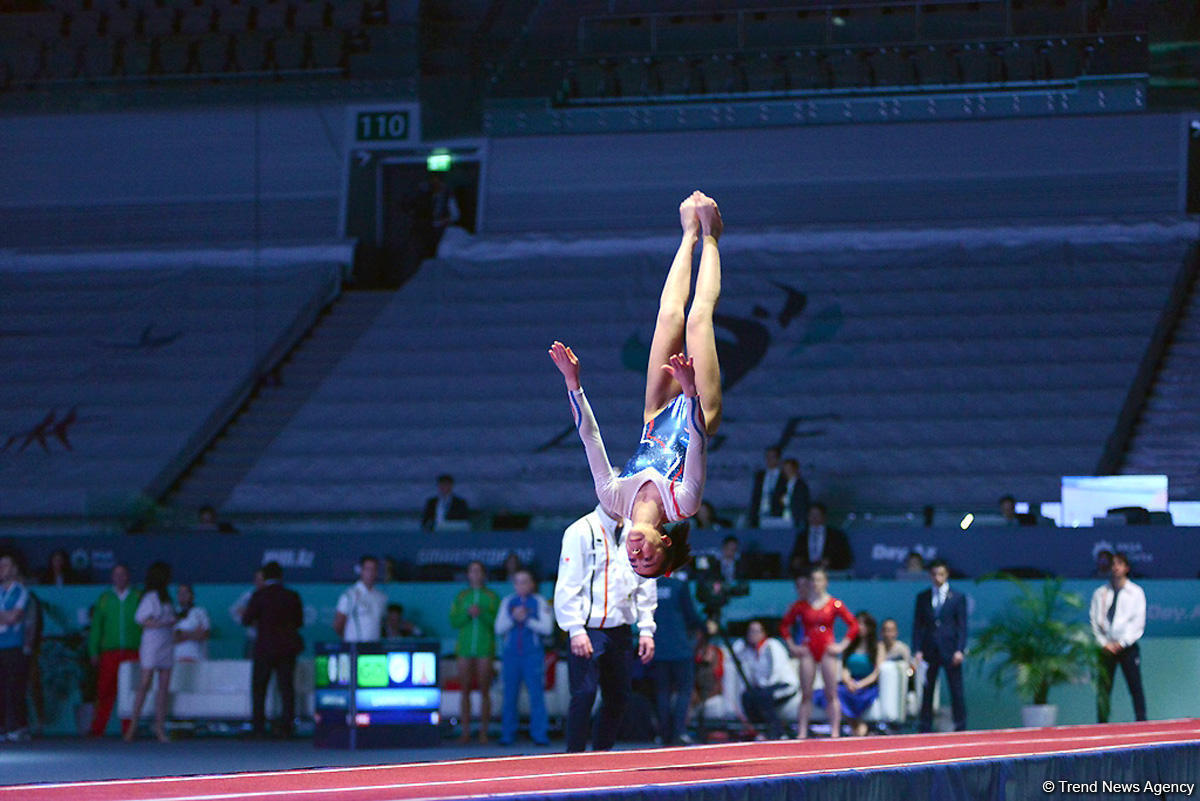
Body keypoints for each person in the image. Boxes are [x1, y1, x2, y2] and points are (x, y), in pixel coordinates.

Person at [548, 190, 725, 579]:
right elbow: (696, 443)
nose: (636, 553)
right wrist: (691, 390)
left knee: (667, 315)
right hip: (699, 409)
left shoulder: (614, 498)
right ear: (664, 542)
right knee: (697, 317)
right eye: (647, 558)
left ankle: (688, 234)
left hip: (656, 414)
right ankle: (711, 235)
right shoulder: (684, 504)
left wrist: (572, 383)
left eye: (633, 561)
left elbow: (590, 439)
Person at [554, 504, 658, 752]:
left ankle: (601, 754)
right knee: (584, 694)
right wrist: (575, 629)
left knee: (619, 697)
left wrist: (645, 629)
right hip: (588, 629)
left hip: (621, 629)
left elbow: (645, 581)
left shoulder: (639, 532)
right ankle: (574, 758)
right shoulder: (580, 530)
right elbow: (568, 583)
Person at [782, 569, 859, 738]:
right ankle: (801, 732)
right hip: (808, 648)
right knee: (806, 693)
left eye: (819, 580)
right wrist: (793, 646)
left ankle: (835, 732)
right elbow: (784, 625)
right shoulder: (801, 605)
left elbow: (853, 625)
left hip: (827, 649)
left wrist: (842, 646)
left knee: (831, 693)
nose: (816, 584)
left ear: (825, 582)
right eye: (813, 580)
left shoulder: (834, 604)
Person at [241, 561, 304, 738]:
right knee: (286, 688)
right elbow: (299, 622)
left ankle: (258, 727)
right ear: (281, 576)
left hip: (264, 648)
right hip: (287, 648)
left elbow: (246, 620)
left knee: (260, 689)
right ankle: (287, 726)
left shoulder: (259, 595)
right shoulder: (292, 595)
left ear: (265, 577)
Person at [494, 569, 554, 746]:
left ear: (532, 584)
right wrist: (514, 618)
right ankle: (507, 734)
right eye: (518, 582)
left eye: (525, 581)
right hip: (511, 655)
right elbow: (499, 628)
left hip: (532, 655)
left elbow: (547, 628)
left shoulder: (540, 601)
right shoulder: (507, 602)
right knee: (509, 696)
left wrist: (527, 619)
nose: (521, 585)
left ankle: (540, 734)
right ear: (514, 585)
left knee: (536, 695)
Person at [1090, 551, 1147, 722]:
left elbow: (1138, 623)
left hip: (1127, 648)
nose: (1115, 567)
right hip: (1106, 647)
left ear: (1126, 568)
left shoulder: (1136, 592)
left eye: (1119, 564)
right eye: (1113, 564)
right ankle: (1101, 724)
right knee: (1104, 688)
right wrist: (1104, 643)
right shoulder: (1100, 593)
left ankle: (1142, 720)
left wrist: (1122, 643)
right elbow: (1094, 620)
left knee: (1135, 686)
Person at [913, 559, 968, 732]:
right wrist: (917, 649)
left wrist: (960, 649)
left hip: (950, 649)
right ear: (930, 575)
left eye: (941, 574)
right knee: (928, 689)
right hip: (930, 649)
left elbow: (962, 626)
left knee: (956, 689)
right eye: (935, 574)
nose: (938, 578)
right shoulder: (923, 597)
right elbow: (918, 626)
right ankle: (925, 724)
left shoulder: (957, 597)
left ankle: (960, 724)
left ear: (947, 574)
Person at [449, 560, 500, 743]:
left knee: (485, 690)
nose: (475, 575)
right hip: (464, 648)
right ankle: (465, 732)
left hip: (485, 648)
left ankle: (484, 732)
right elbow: (454, 622)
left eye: (479, 571)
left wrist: (482, 614)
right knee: (465, 691)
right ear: (468, 574)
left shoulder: (492, 597)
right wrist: (467, 614)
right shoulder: (462, 596)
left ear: (484, 574)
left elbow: (497, 624)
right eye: (472, 571)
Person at [87, 564, 141, 737]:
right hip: (110, 652)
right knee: (105, 691)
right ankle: (97, 729)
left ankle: (129, 729)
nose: (120, 578)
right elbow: (96, 627)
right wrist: (93, 650)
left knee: (130, 692)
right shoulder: (104, 599)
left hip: (133, 651)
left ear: (128, 576)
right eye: (116, 574)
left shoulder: (138, 597)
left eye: (123, 574)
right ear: (112, 577)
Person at [126, 561, 176, 742]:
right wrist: (162, 623)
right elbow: (140, 619)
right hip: (152, 644)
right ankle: (132, 727)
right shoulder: (150, 597)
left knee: (163, 688)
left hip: (167, 643)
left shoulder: (167, 598)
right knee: (145, 683)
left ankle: (160, 728)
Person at [651, 568, 702, 745]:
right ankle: (679, 731)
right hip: (680, 647)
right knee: (683, 691)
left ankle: (664, 734)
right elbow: (691, 616)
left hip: (658, 648)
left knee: (662, 692)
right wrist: (704, 626)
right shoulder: (679, 585)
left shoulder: (650, 586)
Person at [821, 611, 885, 737]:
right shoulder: (850, 646)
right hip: (849, 683)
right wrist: (848, 681)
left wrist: (860, 684)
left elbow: (877, 672)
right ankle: (855, 726)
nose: (860, 627)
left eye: (864, 624)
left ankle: (858, 727)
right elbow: (845, 668)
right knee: (833, 692)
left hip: (867, 685)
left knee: (855, 696)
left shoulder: (878, 646)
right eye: (858, 624)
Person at [731, 620, 794, 740]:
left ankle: (779, 732)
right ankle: (759, 731)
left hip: (784, 684)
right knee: (747, 696)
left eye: (757, 631)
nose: (753, 635)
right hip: (764, 688)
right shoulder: (748, 650)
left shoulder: (772, 645)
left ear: (764, 633)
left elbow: (777, 669)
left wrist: (765, 686)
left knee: (763, 697)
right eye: (750, 631)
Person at [0, 553, 31, 742]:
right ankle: (2, 727)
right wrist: (7, 615)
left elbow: (15, 617)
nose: (1, 569)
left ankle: (18, 726)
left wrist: (6, 616)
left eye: (5, 566)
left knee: (14, 687)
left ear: (14, 569)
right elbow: (8, 616)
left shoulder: (21, 591)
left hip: (14, 645)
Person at [333, 555, 387, 643]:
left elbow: (381, 624)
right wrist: (349, 640)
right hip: (355, 648)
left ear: (377, 572)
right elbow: (338, 625)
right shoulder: (349, 595)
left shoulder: (381, 597)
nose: (371, 573)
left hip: (375, 649)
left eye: (374, 569)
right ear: (361, 571)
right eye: (367, 569)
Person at [789, 502, 853, 574]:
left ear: (824, 516)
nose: (814, 518)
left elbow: (846, 558)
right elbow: (795, 557)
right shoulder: (802, 536)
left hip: (831, 573)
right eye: (811, 515)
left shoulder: (837, 536)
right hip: (807, 574)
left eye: (817, 515)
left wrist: (830, 562)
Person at [230, 568, 265, 659]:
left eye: (262, 579)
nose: (259, 582)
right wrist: (249, 620)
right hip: (252, 638)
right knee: (248, 667)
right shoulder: (249, 595)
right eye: (257, 579)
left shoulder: (274, 595)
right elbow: (235, 611)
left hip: (270, 639)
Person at [172, 583, 210, 663]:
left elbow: (204, 634)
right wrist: (193, 633)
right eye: (180, 593)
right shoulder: (172, 613)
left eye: (185, 592)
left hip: (197, 658)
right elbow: (170, 637)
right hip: (176, 658)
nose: (183, 595)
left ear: (192, 595)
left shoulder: (200, 612)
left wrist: (182, 634)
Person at [746, 446, 782, 528]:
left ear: (778, 459)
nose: (769, 460)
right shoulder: (760, 476)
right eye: (767, 457)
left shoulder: (784, 477)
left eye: (772, 457)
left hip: (777, 517)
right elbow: (756, 497)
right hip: (759, 515)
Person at [770, 458, 809, 527]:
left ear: (795, 469)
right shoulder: (781, 485)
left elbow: (802, 504)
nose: (787, 471)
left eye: (789, 468)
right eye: (785, 469)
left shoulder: (801, 486)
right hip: (781, 519)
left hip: (795, 519)